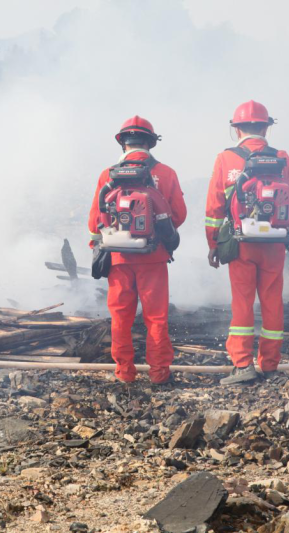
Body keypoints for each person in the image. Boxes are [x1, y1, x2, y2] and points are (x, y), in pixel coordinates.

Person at [205, 100, 289, 386]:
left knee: (242, 302)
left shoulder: (225, 159)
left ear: (237, 129)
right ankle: (270, 364)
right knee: (272, 302)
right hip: (274, 243)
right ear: (266, 128)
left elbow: (214, 208)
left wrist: (213, 243)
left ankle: (242, 365)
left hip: (242, 243)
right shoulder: (282, 157)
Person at [87, 116, 187, 384]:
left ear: (123, 143)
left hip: (118, 257)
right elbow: (178, 215)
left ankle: (124, 373)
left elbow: (94, 222)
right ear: (150, 143)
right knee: (156, 318)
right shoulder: (166, 173)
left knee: (120, 318)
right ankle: (159, 374)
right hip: (153, 257)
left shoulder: (107, 175)